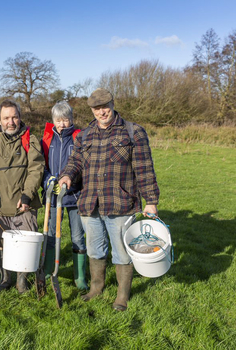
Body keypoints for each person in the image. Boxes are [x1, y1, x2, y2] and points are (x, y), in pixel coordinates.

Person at [59, 88, 159, 311]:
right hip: (90, 203)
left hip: (120, 202)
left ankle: (122, 296)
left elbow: (144, 169)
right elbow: (75, 161)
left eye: (105, 106)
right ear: (91, 110)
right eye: (96, 108)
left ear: (113, 104)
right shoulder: (84, 135)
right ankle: (96, 288)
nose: (102, 112)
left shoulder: (133, 133)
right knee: (95, 249)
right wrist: (66, 174)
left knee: (122, 251)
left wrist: (151, 200)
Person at [0, 100, 44, 293]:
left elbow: (36, 170)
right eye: (6, 118)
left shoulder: (30, 141)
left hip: (22, 204)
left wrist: (27, 196)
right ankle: (5, 278)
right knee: (1, 243)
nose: (11, 122)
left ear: (20, 117)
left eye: (14, 117)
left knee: (23, 245)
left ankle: (22, 282)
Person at [41, 101, 88, 290]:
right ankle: (48, 271)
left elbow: (85, 165)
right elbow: (41, 166)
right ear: (53, 121)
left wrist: (73, 181)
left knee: (78, 236)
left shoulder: (79, 138)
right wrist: (48, 180)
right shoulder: (47, 140)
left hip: (75, 196)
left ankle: (80, 277)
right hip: (53, 197)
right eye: (58, 120)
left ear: (72, 120)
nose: (62, 124)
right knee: (51, 234)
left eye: (66, 120)